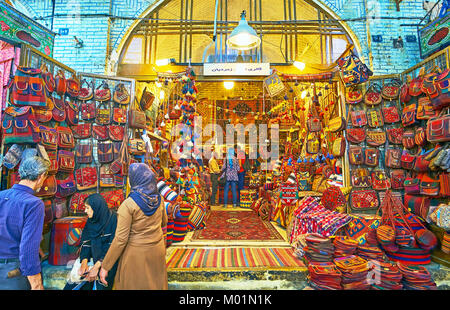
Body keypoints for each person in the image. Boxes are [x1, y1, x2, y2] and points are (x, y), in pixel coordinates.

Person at [99, 163, 168, 290]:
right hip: (157, 250)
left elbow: (120, 239)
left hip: (136, 255)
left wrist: (105, 266)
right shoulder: (159, 199)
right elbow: (164, 222)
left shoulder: (128, 205)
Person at [0, 156, 50, 290]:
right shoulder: (34, 204)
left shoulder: (1, 195)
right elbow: (28, 248)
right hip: (13, 272)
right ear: (41, 176)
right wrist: (37, 284)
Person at [63, 194, 118, 290]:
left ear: (96, 208)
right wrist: (84, 262)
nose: (85, 211)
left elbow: (111, 247)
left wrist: (97, 266)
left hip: (107, 263)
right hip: (93, 261)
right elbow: (87, 242)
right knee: (72, 285)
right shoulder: (91, 221)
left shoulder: (113, 220)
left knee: (101, 285)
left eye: (88, 208)